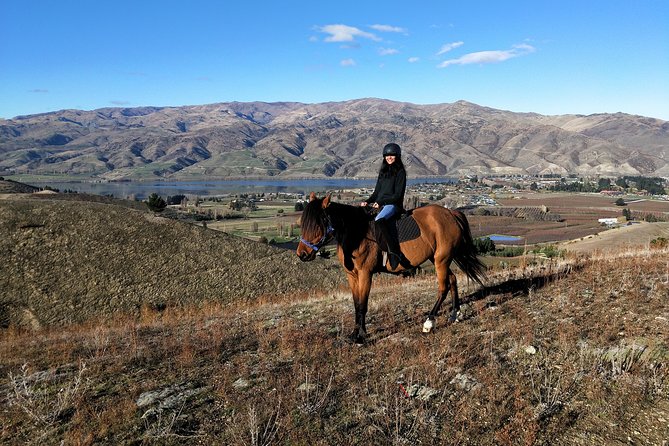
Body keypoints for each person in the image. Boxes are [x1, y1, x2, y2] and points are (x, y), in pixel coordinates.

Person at [360, 143, 412, 269]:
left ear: (397, 156)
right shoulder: (383, 172)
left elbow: (398, 195)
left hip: (393, 205)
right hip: (381, 204)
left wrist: (382, 202)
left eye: (392, 155)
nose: (389, 157)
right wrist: (367, 201)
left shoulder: (400, 172)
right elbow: (377, 192)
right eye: (387, 155)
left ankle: (394, 252)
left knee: (379, 220)